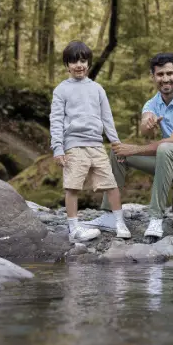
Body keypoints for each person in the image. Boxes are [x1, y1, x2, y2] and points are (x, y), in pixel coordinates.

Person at [83, 52, 173, 239]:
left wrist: (136, 149)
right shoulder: (152, 103)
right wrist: (147, 122)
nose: (165, 79)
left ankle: (156, 217)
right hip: (172, 163)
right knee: (119, 152)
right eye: (160, 74)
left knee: (165, 148)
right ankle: (110, 215)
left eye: (169, 73)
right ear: (153, 77)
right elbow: (145, 126)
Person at [50, 41, 131, 243]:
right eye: (74, 61)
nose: (79, 65)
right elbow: (56, 120)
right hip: (73, 145)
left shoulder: (97, 89)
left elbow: (107, 118)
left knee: (110, 183)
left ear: (88, 64)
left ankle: (119, 222)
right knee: (72, 186)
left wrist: (116, 144)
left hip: (96, 144)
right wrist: (58, 148)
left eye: (83, 61)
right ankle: (74, 228)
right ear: (67, 65)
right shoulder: (61, 90)